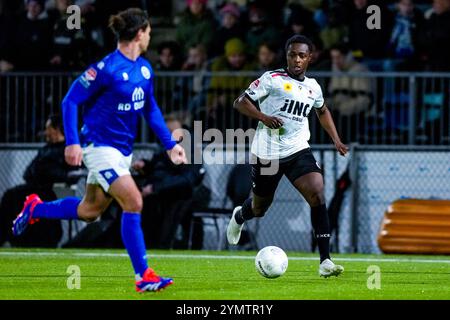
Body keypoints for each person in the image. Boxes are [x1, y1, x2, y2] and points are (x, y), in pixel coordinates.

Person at [11, 8, 187, 293]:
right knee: (134, 202)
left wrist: (170, 145)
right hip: (98, 147)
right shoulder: (105, 69)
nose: (151, 36)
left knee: (89, 210)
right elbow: (70, 101)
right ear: (140, 33)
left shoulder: (144, 68)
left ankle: (36, 208)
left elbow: (150, 108)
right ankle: (144, 275)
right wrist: (72, 142)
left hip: (122, 151)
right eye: (149, 31)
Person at [226, 35, 348, 278]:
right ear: (287, 56)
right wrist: (264, 118)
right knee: (260, 208)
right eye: (293, 54)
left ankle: (325, 261)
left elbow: (322, 111)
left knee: (317, 191)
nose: (297, 59)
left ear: (310, 58)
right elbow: (239, 102)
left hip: (297, 149)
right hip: (267, 153)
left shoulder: (314, 86)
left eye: (302, 55)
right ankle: (240, 215)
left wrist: (335, 138)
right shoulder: (272, 79)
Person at [0, 114, 77, 247]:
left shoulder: (67, 149)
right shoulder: (45, 149)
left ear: (56, 129)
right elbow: (28, 172)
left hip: (50, 187)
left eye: (48, 128)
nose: (46, 132)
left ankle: (45, 239)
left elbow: (68, 172)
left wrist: (47, 172)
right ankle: (11, 237)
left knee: (33, 196)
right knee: (10, 195)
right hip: (33, 185)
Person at [133, 115, 205, 249]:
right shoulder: (165, 147)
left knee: (173, 205)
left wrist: (155, 188)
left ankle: (162, 243)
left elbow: (187, 179)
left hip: (182, 195)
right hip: (159, 193)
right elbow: (157, 167)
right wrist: (144, 165)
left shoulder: (189, 149)